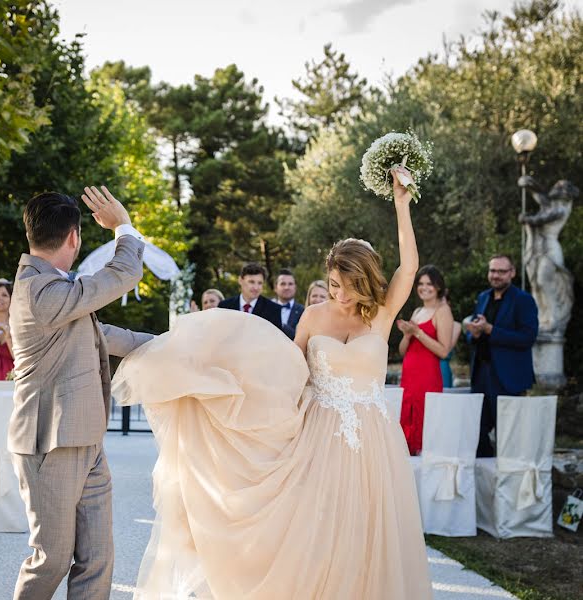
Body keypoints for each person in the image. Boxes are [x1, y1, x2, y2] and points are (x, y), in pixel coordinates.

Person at [112, 167, 431, 598]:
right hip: (317, 436)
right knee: (317, 530)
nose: (339, 294)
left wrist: (401, 204)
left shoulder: (382, 313)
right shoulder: (314, 316)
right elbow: (289, 369)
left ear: (365, 281)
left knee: (370, 530)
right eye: (333, 284)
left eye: (348, 286)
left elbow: (409, 268)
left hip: (374, 441)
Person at [8, 187, 152, 600]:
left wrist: (170, 344)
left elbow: (102, 334)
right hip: (50, 443)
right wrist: (123, 227)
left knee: (97, 557)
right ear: (74, 237)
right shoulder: (39, 291)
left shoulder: (54, 288)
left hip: (84, 438)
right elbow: (122, 274)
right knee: (50, 558)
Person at [466, 255, 538, 457]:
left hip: (509, 378)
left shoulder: (523, 300)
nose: (495, 276)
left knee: (509, 435)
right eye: (492, 271)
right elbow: (471, 331)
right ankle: (487, 478)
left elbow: (528, 337)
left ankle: (509, 482)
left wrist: (490, 330)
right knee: (477, 432)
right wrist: (474, 333)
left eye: (501, 271)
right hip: (481, 375)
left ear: (512, 273)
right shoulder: (483, 297)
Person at [396, 265, 454, 455]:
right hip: (409, 377)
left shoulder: (443, 311)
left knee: (424, 418)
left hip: (427, 376)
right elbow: (403, 351)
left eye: (429, 283)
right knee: (407, 417)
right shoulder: (417, 312)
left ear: (438, 286)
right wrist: (406, 334)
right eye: (420, 284)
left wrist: (418, 332)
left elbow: (444, 351)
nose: (424, 287)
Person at [218, 263, 293, 338]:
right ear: (240, 280)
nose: (256, 287)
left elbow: (275, 340)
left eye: (260, 283)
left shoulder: (273, 309)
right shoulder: (225, 306)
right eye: (251, 282)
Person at [272, 268, 305, 333]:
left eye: (290, 284)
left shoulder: (303, 311)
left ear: (295, 287)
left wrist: (281, 325)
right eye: (283, 284)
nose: (287, 287)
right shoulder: (267, 308)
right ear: (275, 288)